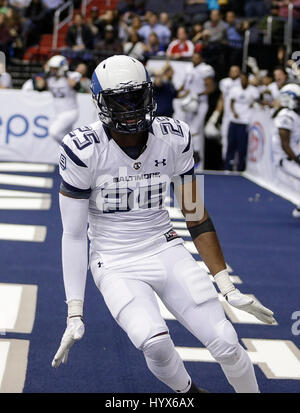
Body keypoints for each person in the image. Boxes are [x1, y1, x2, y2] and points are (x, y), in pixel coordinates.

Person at [51, 55, 275, 393]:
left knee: (226, 341)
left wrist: (226, 286)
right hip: (115, 261)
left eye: (135, 97)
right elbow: (72, 234)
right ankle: (190, 394)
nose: (129, 109)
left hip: (164, 245)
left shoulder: (173, 136)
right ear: (100, 103)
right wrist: (74, 310)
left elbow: (195, 212)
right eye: (118, 100)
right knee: (153, 342)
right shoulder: (85, 149)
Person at [178, 48, 215, 167]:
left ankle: (197, 153)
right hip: (189, 102)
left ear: (201, 58)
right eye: (193, 56)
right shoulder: (189, 68)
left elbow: (211, 88)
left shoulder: (205, 69)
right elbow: (185, 85)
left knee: (194, 129)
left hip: (200, 102)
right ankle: (189, 153)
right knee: (187, 128)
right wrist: (180, 92)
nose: (194, 59)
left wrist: (197, 94)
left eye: (196, 57)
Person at [38, 55, 81, 143]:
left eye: (55, 68)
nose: (53, 70)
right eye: (52, 68)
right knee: (67, 135)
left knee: (54, 132)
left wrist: (65, 74)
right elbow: (40, 87)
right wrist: (45, 74)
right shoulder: (50, 78)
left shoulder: (72, 76)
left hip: (70, 112)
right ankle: (70, 154)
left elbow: (77, 87)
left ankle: (71, 148)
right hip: (59, 113)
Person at [272, 83, 300, 218]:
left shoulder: (293, 114)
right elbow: (285, 144)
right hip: (286, 158)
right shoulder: (285, 116)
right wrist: (297, 159)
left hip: (293, 155)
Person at [225, 72, 260, 171]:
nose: (243, 81)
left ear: (248, 79)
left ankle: (240, 168)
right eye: (241, 79)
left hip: (245, 122)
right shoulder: (235, 90)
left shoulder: (253, 90)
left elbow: (257, 102)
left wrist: (253, 104)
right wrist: (234, 112)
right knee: (231, 144)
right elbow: (231, 103)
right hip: (234, 121)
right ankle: (228, 166)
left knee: (242, 146)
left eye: (245, 79)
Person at [206, 65, 241, 160]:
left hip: (240, 116)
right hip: (227, 115)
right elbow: (221, 99)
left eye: (236, 71)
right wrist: (216, 114)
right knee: (225, 138)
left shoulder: (242, 82)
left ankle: (237, 162)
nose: (233, 73)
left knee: (238, 140)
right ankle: (226, 161)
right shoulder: (224, 82)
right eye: (232, 71)